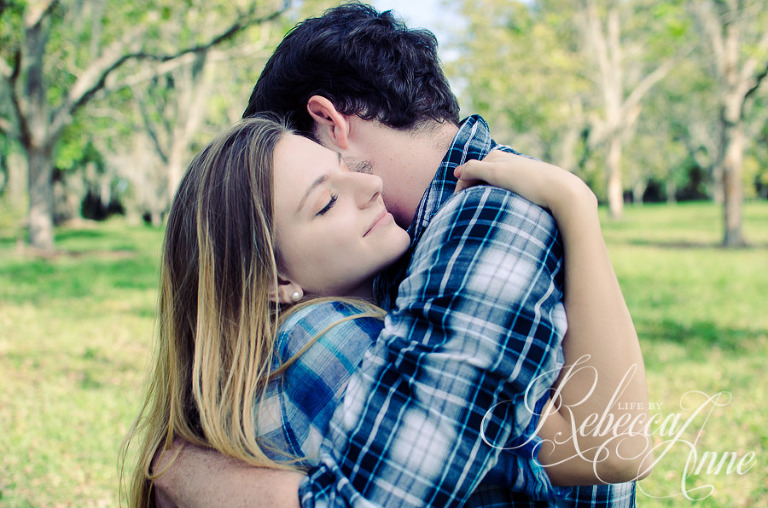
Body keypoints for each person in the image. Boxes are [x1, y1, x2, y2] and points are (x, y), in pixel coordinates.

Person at [135, 3, 652, 506]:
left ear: (329, 122)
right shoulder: (334, 324)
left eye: (333, 176)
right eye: (326, 200)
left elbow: (603, 447)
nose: (368, 188)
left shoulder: (483, 221)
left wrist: (185, 471)